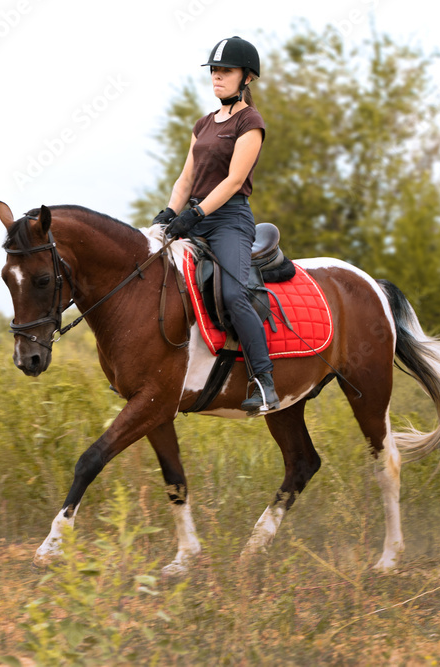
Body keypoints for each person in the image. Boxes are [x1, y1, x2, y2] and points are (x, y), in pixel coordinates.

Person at [153, 36, 279, 416]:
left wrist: (194, 215)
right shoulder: (203, 124)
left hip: (229, 220)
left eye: (226, 71)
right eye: (214, 70)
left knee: (232, 296)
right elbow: (185, 179)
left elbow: (232, 181)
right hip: (196, 215)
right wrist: (167, 215)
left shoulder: (249, 122)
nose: (217, 77)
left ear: (247, 78)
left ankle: (264, 381)